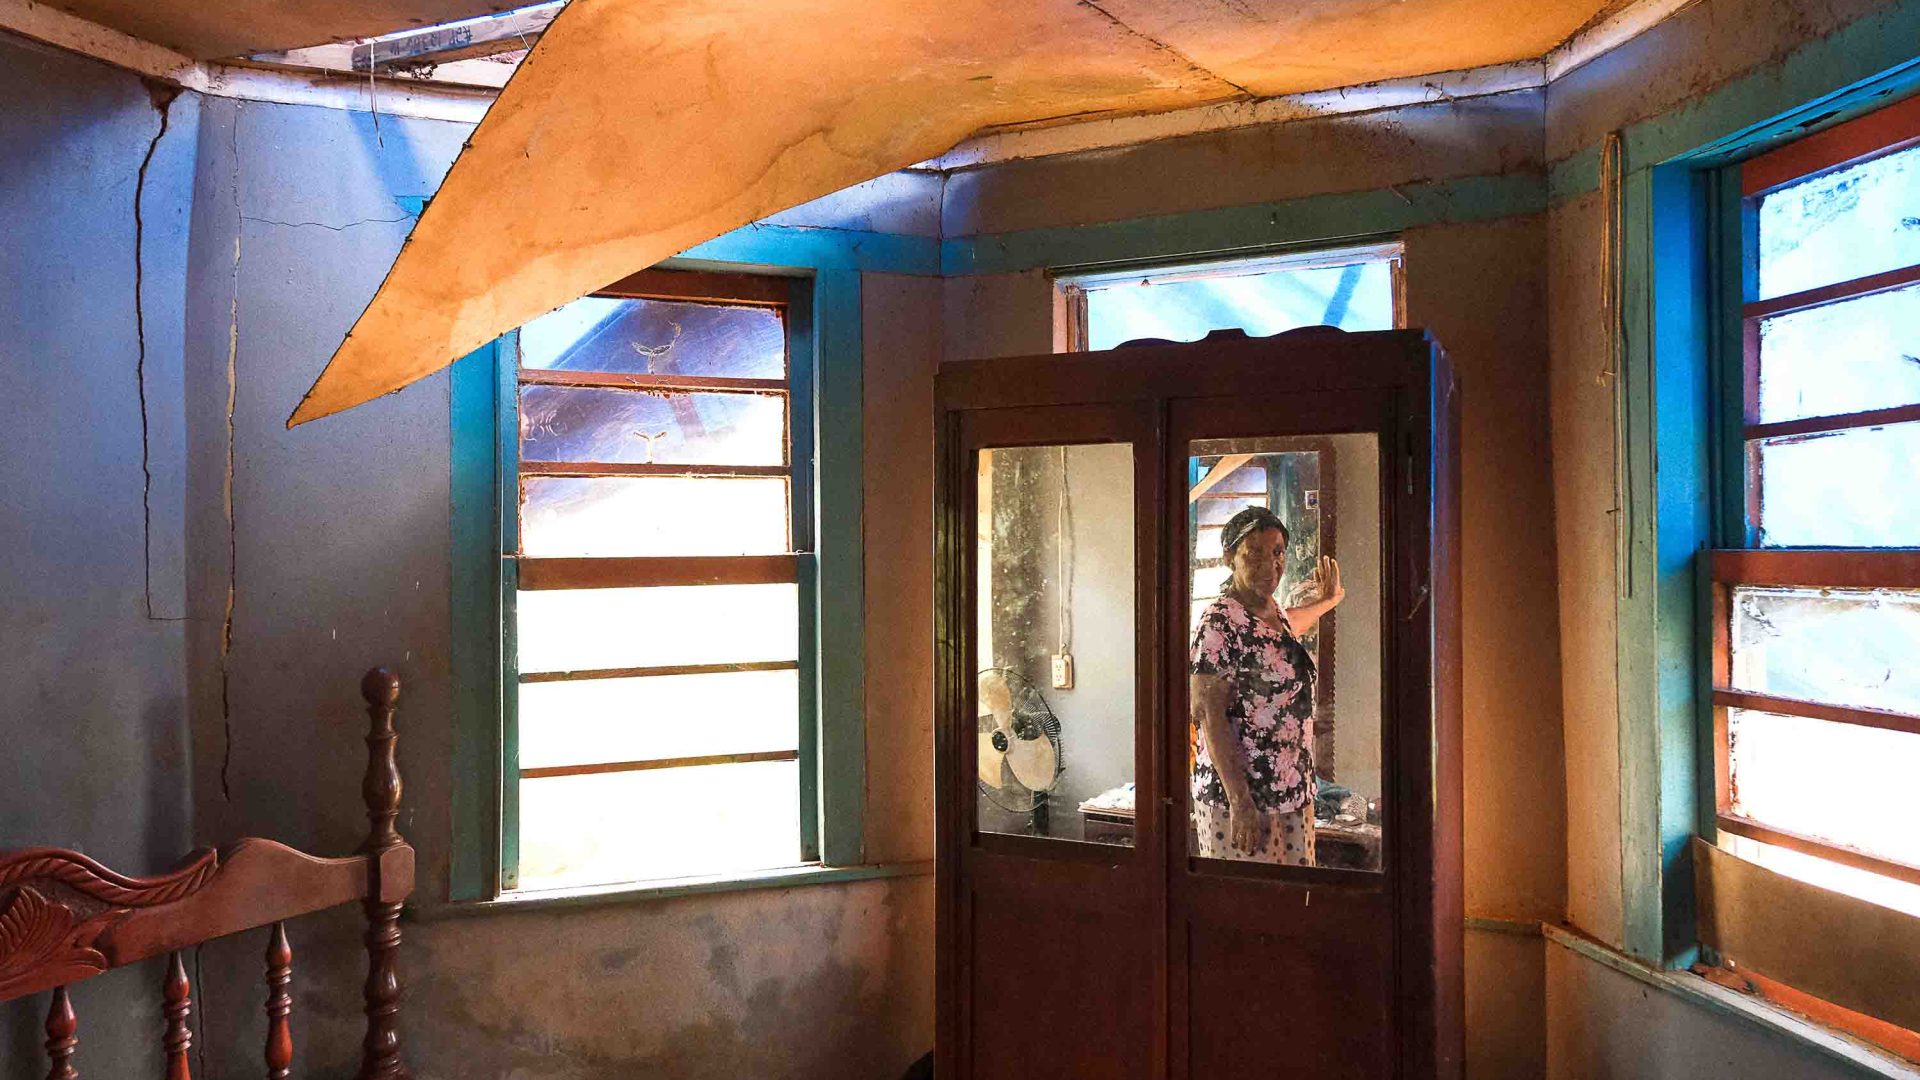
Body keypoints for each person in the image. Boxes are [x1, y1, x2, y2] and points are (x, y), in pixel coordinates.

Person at [1189, 506, 1345, 864]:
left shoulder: (1273, 612)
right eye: (1253, 553)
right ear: (1230, 558)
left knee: (1291, 907)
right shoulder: (1219, 623)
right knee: (1250, 909)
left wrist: (1327, 601)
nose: (1269, 563)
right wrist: (1240, 801)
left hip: (1291, 791)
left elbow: (1278, 639)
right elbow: (1207, 715)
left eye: (1277, 552)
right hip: (1247, 800)